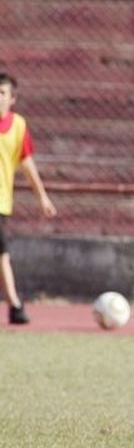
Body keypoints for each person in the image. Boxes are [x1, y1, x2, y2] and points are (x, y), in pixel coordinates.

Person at [0, 72, 56, 324]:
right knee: (1, 253)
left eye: (2, 93)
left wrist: (42, 197)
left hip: (2, 201)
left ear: (12, 98)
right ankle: (15, 305)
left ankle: (14, 306)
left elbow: (27, 165)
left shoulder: (19, 126)